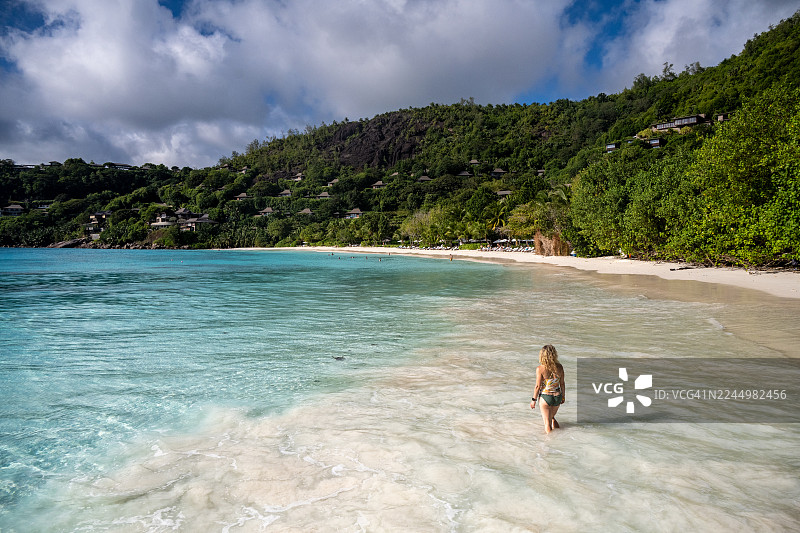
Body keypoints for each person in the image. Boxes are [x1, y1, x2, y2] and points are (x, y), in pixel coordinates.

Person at [530, 344, 565, 433]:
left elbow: (537, 386)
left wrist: (533, 400)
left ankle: (550, 443)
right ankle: (560, 437)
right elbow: (562, 383)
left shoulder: (540, 368)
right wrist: (563, 396)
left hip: (546, 397)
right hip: (557, 396)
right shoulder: (560, 367)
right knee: (552, 418)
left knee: (547, 423)